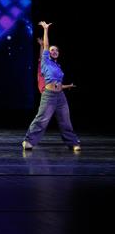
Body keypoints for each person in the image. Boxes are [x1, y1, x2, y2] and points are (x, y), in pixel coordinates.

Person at [22, 21, 80, 152]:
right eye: (52, 50)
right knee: (42, 120)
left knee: (65, 120)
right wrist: (46, 29)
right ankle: (28, 141)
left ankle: (72, 143)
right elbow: (46, 46)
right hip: (49, 96)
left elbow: (58, 84)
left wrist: (67, 86)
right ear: (48, 52)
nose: (54, 51)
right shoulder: (45, 61)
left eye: (56, 50)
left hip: (61, 96)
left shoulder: (58, 67)